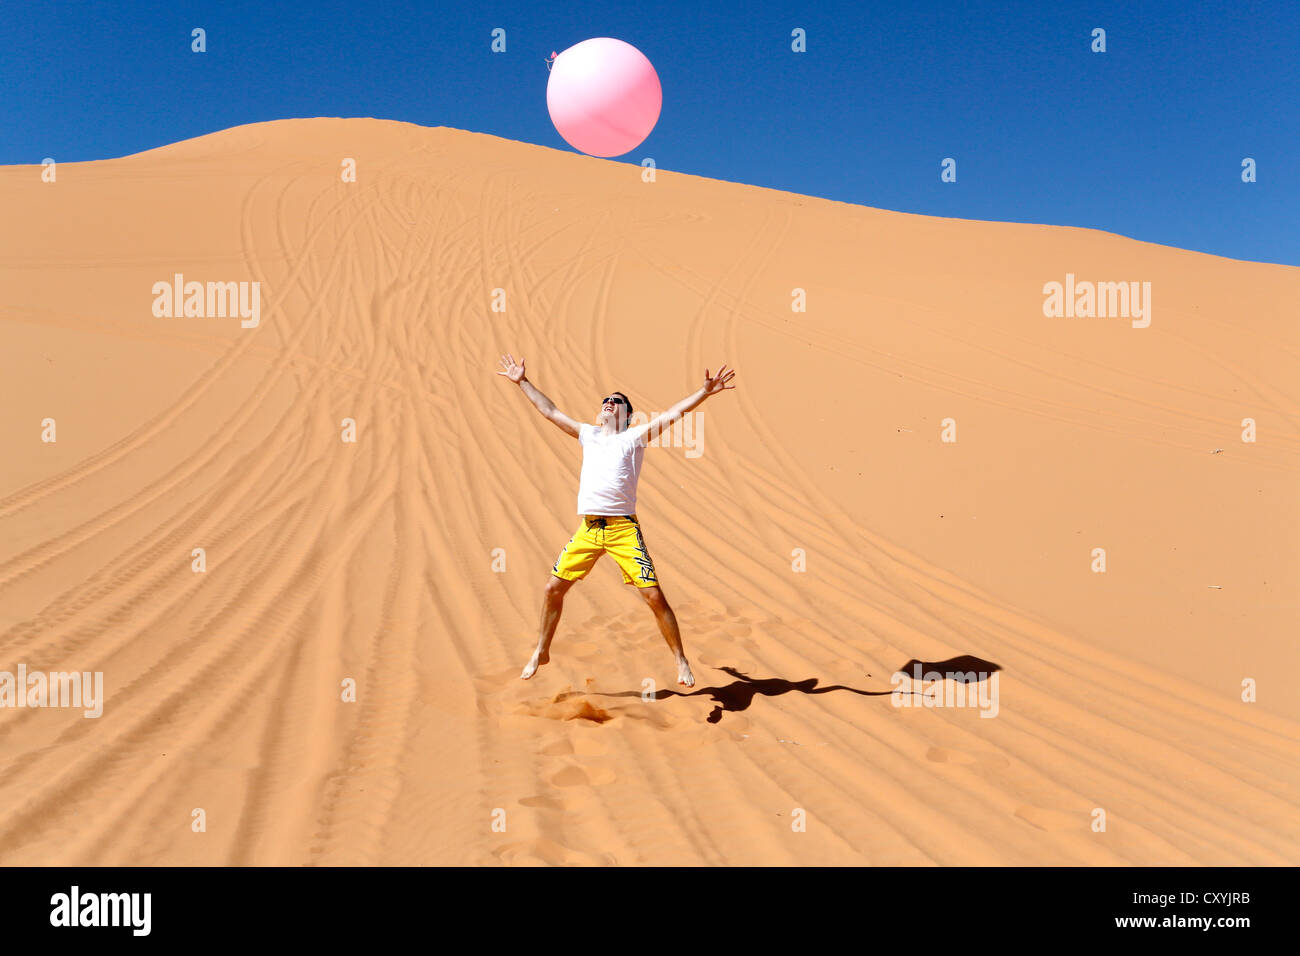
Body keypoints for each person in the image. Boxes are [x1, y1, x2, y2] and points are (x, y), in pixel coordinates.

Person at [496, 353, 736, 687]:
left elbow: (673, 414)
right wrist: (522, 381)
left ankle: (680, 659)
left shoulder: (633, 438)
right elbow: (549, 411)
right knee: (552, 589)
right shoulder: (588, 435)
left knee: (653, 597)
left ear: (626, 416)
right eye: (606, 399)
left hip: (624, 529)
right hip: (590, 529)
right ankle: (541, 650)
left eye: (617, 402)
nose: (609, 402)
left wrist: (704, 392)